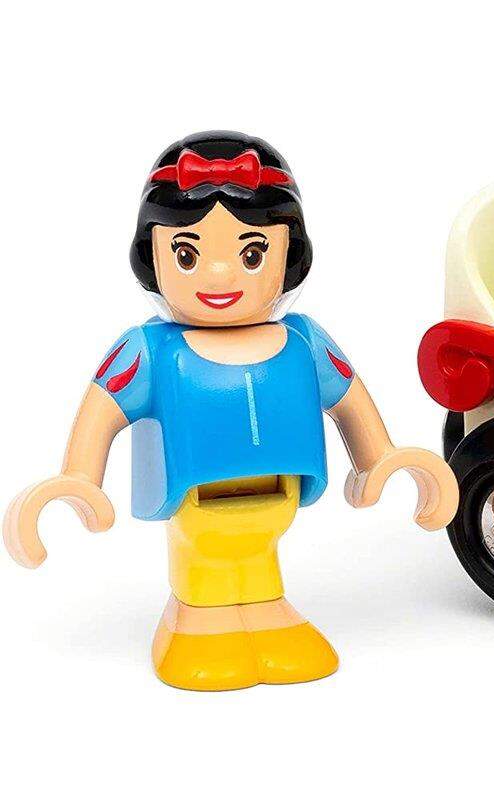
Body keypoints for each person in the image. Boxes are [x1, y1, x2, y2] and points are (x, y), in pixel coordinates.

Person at [4, 130, 458, 690]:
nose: (220, 276)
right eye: (188, 254)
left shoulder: (305, 342)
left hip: (277, 495)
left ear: (290, 255)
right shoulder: (148, 351)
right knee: (208, 564)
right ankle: (197, 620)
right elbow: (104, 408)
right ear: (152, 256)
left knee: (258, 555)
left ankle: (268, 613)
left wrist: (379, 459)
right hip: (194, 505)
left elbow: (348, 400)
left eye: (251, 253)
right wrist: (79, 479)